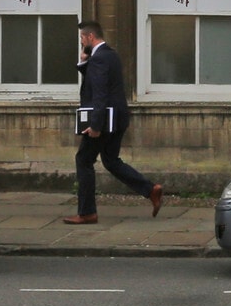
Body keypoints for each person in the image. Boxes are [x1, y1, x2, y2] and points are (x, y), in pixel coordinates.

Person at [65, 21, 165, 224]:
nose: (81, 42)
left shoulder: (100, 59)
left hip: (104, 121)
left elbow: (100, 93)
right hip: (118, 118)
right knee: (111, 161)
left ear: (90, 37)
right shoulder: (110, 55)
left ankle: (87, 213)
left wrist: (95, 126)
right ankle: (150, 190)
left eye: (82, 39)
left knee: (83, 160)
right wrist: (85, 61)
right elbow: (100, 82)